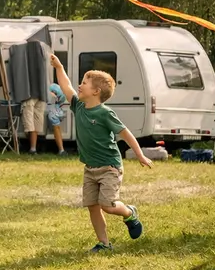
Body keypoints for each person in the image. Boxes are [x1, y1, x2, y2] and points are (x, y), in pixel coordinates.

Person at [49, 54, 150, 253]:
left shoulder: (105, 113)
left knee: (108, 206)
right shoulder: (79, 106)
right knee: (93, 206)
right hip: (90, 168)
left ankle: (129, 212)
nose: (80, 85)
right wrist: (59, 67)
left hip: (109, 167)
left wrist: (139, 155)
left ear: (95, 91)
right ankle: (104, 244)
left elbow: (125, 133)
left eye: (84, 82)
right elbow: (66, 86)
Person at [47, 82, 68, 155]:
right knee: (57, 126)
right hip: (52, 107)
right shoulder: (55, 88)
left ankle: (61, 150)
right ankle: (61, 150)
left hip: (53, 107)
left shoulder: (54, 88)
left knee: (56, 126)